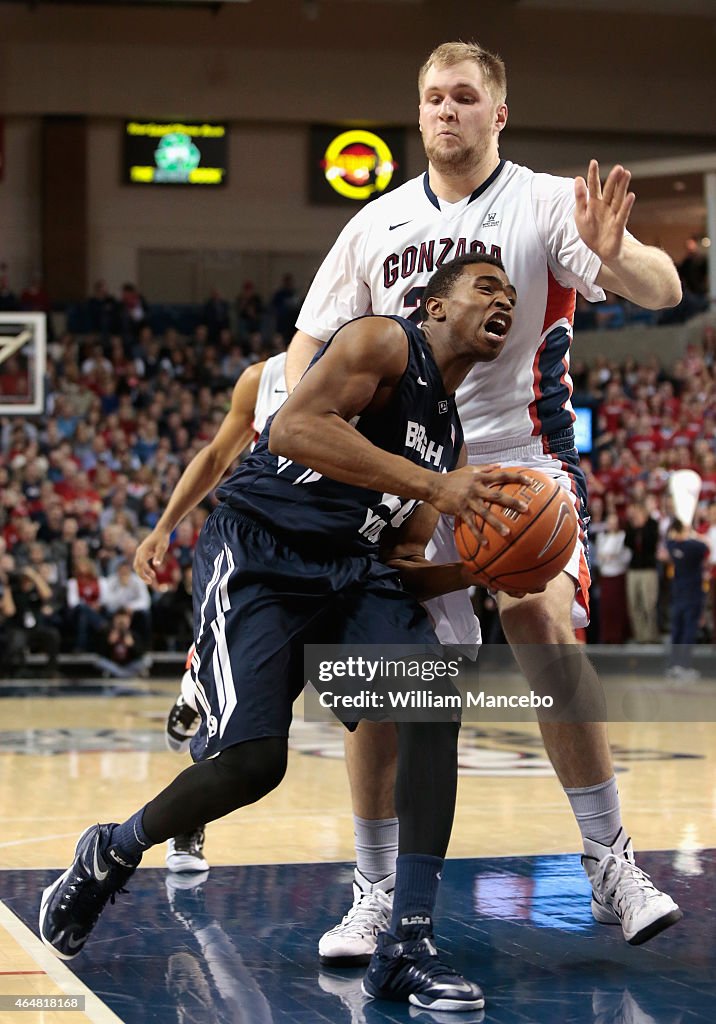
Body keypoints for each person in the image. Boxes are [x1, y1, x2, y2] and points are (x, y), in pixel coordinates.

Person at [40, 254, 532, 1012]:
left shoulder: (451, 438)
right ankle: (113, 848)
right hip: (262, 551)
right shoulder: (380, 343)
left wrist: (482, 571)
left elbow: (401, 563)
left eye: (511, 293)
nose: (504, 300)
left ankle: (408, 942)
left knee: (433, 699)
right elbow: (298, 427)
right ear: (434, 307)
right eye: (485, 287)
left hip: (353, 573)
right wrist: (435, 488)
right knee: (253, 764)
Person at [286, 40, 682, 961]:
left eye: (465, 97)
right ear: (418, 112)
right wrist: (290, 437)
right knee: (392, 678)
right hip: (412, 472)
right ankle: (375, 891)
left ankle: (610, 863)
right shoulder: (374, 225)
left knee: (544, 625)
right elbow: (308, 349)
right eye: (433, 98)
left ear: (497, 114)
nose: (447, 111)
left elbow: (664, 290)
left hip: (521, 467)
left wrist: (619, 258)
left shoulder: (545, 203)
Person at [139, 351, 288, 873]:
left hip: (329, 558)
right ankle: (186, 826)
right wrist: (164, 526)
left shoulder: (388, 380)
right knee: (231, 712)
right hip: (251, 549)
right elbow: (215, 455)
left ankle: (389, 880)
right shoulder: (264, 377)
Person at [663, 519, 709, 680]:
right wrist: (693, 533)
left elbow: (668, 540)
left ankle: (673, 665)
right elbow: (705, 546)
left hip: (679, 594)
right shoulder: (693, 547)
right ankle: (684, 666)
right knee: (689, 631)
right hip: (692, 595)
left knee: (677, 630)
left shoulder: (673, 546)